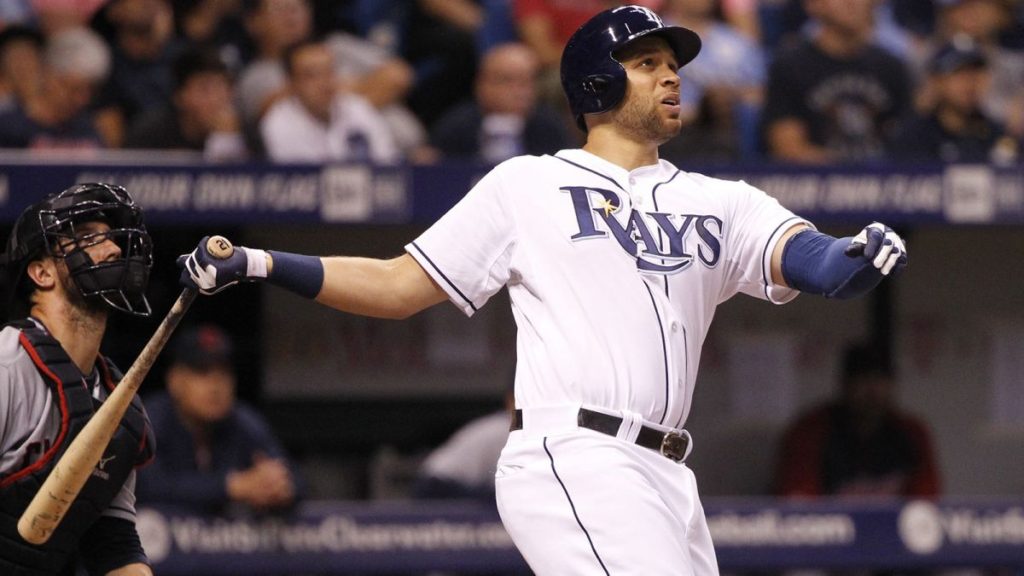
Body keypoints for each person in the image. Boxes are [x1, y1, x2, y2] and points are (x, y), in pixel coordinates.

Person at [178, 6, 908, 574]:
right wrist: (263, 262)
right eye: (647, 62)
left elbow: (816, 262)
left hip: (667, 473)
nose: (671, 75)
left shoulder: (723, 200)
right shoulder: (528, 184)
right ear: (597, 82)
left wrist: (859, 253)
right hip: (576, 450)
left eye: (672, 63)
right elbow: (400, 284)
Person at [0, 183, 156, 575]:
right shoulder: (7, 368)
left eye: (111, 238)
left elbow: (114, 546)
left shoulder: (120, 407)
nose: (114, 249)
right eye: (88, 237)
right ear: (41, 272)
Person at [136, 324, 298, 514]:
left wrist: (279, 487)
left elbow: (294, 476)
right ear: (175, 380)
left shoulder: (242, 420)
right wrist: (231, 486)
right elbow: (147, 486)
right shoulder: (150, 419)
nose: (215, 386)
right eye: (202, 372)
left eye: (223, 372)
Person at [773, 343, 940, 498]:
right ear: (845, 384)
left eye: (880, 380)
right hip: (832, 528)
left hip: (892, 529)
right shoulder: (811, 430)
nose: (872, 391)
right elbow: (798, 504)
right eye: (863, 380)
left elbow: (926, 502)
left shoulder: (911, 432)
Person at [760, 0, 912, 164]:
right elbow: (788, 149)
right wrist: (850, 172)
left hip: (883, 182)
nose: (853, 4)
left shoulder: (891, 67)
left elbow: (908, 143)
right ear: (813, 5)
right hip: (815, 183)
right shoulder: (790, 66)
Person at [259, 38, 399, 163]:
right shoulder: (278, 122)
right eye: (312, 75)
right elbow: (305, 180)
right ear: (291, 83)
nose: (324, 82)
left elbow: (388, 163)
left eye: (329, 72)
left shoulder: (357, 107)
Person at [430, 42, 573, 164]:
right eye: (508, 80)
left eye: (527, 81)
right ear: (482, 84)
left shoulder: (550, 126)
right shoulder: (456, 126)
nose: (520, 91)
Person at [890, 36, 1018, 164]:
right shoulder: (913, 138)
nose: (969, 83)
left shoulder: (1000, 136)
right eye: (959, 73)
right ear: (937, 81)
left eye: (976, 73)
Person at [124, 46, 249, 162]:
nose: (217, 99)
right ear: (179, 96)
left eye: (224, 87)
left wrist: (226, 141)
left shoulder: (246, 133)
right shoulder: (150, 135)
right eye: (205, 89)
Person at [0, 26, 110, 150]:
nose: (82, 99)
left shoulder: (87, 129)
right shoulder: (7, 128)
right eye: (73, 89)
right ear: (49, 76)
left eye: (90, 91)